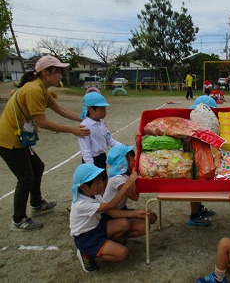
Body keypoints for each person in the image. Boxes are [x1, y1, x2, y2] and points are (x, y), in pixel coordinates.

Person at [0, 55, 91, 231]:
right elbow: (42, 122)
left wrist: (84, 119)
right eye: (58, 72)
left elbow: (60, 109)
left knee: (38, 166)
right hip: (8, 140)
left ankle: (36, 202)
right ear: (45, 73)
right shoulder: (34, 90)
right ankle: (18, 220)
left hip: (18, 138)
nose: (61, 76)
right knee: (25, 176)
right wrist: (72, 129)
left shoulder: (42, 89)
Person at [70, 163, 147, 272]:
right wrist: (126, 186)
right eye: (97, 183)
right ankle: (87, 253)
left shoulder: (92, 193)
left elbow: (111, 212)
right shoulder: (80, 204)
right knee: (122, 253)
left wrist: (135, 213)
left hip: (99, 226)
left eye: (101, 180)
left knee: (125, 223)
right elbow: (111, 206)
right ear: (83, 187)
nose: (102, 185)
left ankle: (107, 245)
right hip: (87, 237)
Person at [103, 144, 157, 234]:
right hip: (109, 214)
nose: (135, 160)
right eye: (133, 157)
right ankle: (116, 236)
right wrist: (134, 176)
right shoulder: (117, 179)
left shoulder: (124, 174)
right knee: (142, 225)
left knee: (152, 217)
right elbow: (135, 197)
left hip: (120, 209)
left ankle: (120, 232)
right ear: (124, 161)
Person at [187, 95, 218, 226]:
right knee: (196, 185)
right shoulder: (195, 122)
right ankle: (194, 215)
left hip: (201, 154)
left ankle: (199, 208)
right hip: (195, 156)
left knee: (199, 183)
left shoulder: (197, 120)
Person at [78, 92, 121, 173]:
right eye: (101, 109)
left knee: (104, 181)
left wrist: (122, 147)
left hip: (102, 158)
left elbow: (109, 140)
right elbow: (86, 151)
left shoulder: (101, 123)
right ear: (90, 110)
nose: (104, 111)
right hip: (93, 161)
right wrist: (91, 168)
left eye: (104, 108)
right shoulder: (85, 127)